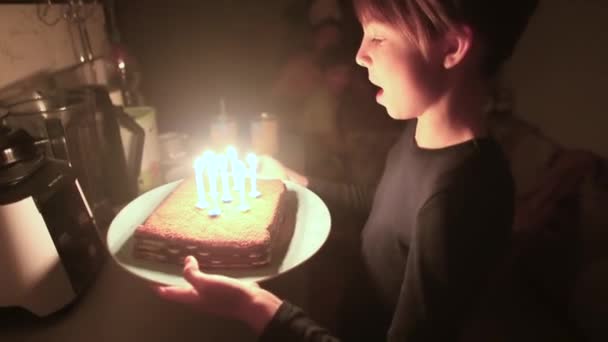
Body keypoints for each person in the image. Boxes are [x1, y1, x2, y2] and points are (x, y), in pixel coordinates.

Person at [153, 0, 539, 340]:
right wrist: (296, 179)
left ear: (452, 47)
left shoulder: (460, 198)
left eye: (378, 37)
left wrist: (256, 308)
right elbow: (387, 209)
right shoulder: (422, 133)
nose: (359, 55)